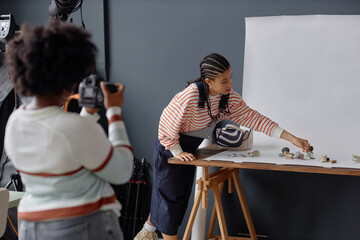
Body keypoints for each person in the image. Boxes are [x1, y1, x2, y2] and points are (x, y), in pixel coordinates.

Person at [134, 53, 312, 240]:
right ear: (209, 81)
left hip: (189, 150)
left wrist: (292, 138)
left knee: (174, 196)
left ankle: (148, 230)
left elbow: (254, 119)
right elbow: (165, 124)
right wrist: (177, 151)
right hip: (170, 149)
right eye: (224, 81)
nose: (230, 85)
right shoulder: (191, 95)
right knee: (170, 201)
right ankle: (151, 233)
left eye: (231, 78)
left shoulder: (227, 98)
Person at [4, 21, 133, 240]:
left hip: (33, 226)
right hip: (83, 225)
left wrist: (88, 113)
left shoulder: (15, 122)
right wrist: (114, 112)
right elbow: (122, 170)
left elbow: (64, 147)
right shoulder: (74, 128)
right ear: (69, 82)